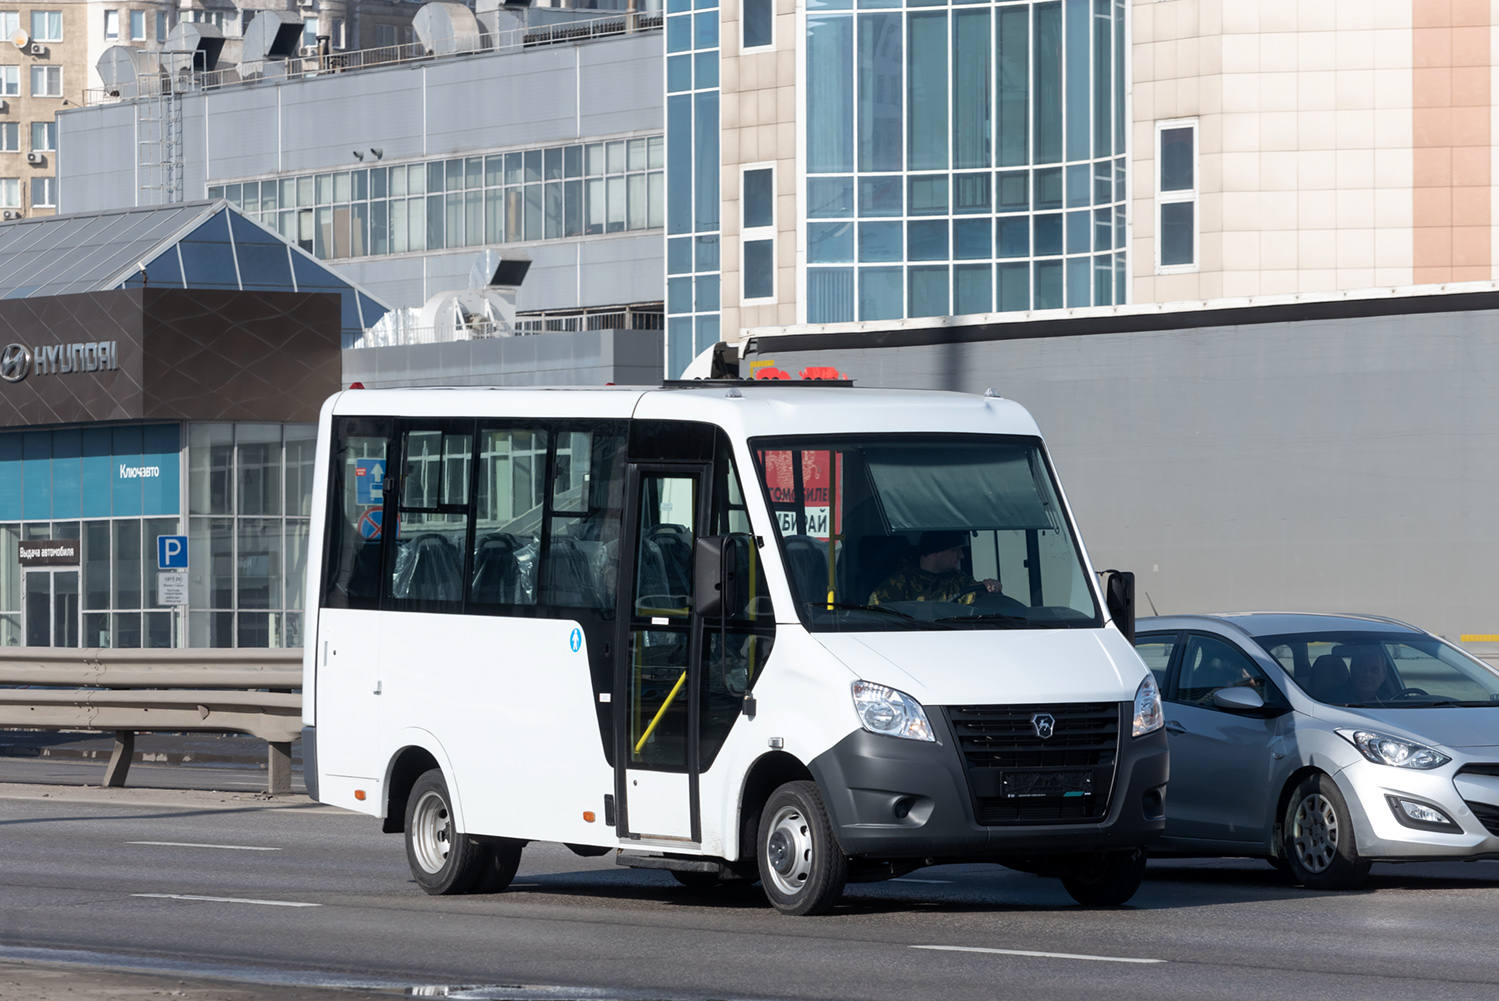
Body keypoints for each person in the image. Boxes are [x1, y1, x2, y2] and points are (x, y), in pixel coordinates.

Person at [869, 531, 1002, 605]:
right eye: (955, 550)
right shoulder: (899, 583)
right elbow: (878, 620)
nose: (961, 556)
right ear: (935, 552)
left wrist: (990, 589)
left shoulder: (960, 582)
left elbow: (982, 606)